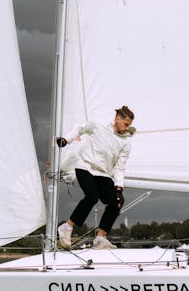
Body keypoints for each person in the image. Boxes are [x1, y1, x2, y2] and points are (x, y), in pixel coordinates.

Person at [55, 106, 135, 249]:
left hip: (103, 173)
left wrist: (119, 187)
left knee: (117, 201)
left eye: (129, 125)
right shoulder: (98, 125)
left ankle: (100, 238)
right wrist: (67, 140)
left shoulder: (126, 142)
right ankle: (66, 227)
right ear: (118, 119)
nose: (127, 128)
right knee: (92, 196)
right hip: (84, 166)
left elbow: (120, 167)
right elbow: (80, 129)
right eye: (126, 124)